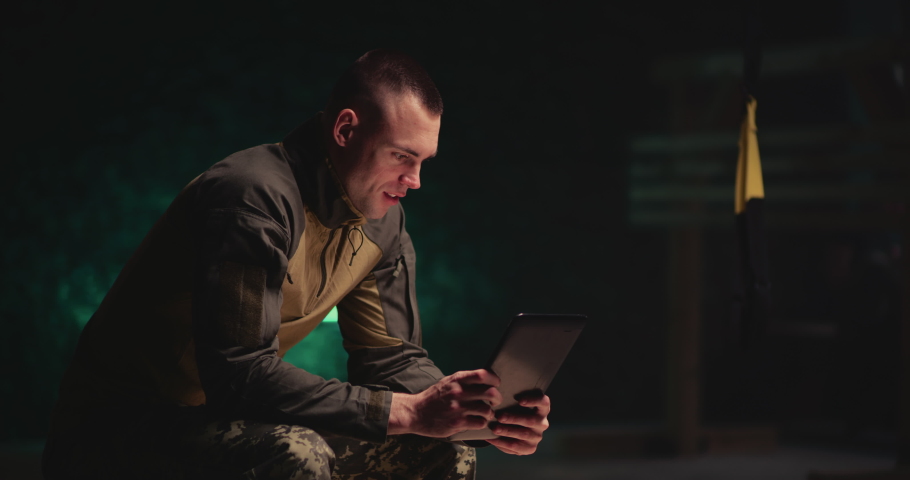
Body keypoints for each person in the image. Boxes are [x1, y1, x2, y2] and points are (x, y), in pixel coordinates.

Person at [42, 49, 551, 479]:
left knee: (448, 452)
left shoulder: (383, 224)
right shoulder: (253, 196)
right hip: (118, 427)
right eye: (401, 156)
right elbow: (238, 374)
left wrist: (480, 415)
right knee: (296, 454)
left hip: (213, 420)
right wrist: (411, 411)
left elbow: (391, 361)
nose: (415, 180)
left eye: (423, 162)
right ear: (347, 129)